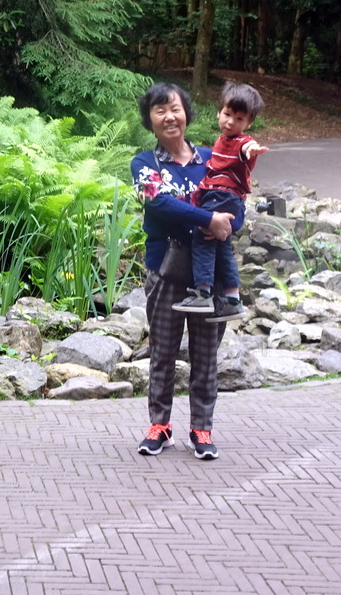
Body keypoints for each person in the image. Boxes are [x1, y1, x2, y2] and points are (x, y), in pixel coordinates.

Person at [131, 82, 235, 460]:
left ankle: (201, 429)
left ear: (186, 113)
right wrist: (209, 217)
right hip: (165, 271)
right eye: (159, 111)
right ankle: (159, 426)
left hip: (210, 277)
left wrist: (227, 221)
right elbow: (159, 205)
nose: (168, 116)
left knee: (206, 356)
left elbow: (235, 200)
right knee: (162, 352)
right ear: (151, 121)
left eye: (174, 108)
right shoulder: (144, 164)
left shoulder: (213, 158)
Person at [173, 82, 267, 322]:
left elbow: (246, 147)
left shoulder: (240, 142)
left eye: (239, 118)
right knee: (222, 244)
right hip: (229, 199)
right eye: (227, 114)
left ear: (249, 123)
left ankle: (203, 293)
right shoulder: (221, 140)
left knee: (203, 236)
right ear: (218, 112)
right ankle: (233, 299)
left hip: (221, 196)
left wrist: (252, 150)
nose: (230, 122)